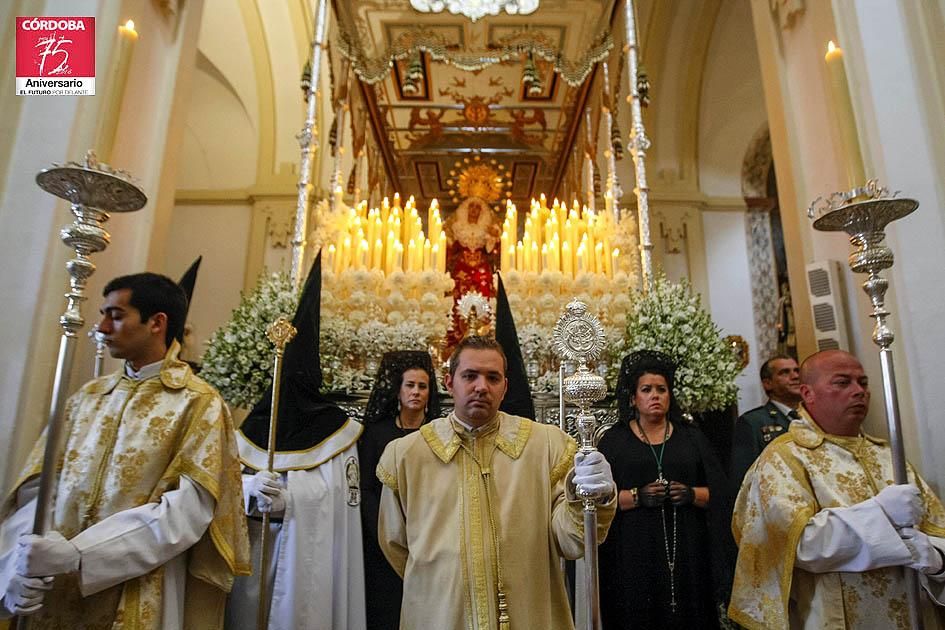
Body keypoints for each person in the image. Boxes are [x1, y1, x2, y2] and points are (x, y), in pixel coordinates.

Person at [0, 272, 251, 628]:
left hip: (135, 585)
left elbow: (186, 511)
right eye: (103, 314)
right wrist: (18, 564)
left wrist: (82, 555)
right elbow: (38, 492)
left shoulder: (198, 404)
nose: (102, 327)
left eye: (116, 315)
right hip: (50, 586)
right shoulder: (88, 398)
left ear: (156, 323)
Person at [376, 335, 616, 629]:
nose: (481, 387)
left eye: (492, 377)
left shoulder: (545, 447)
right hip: (440, 615)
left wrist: (592, 498)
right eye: (470, 376)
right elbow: (394, 543)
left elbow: (570, 539)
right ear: (449, 383)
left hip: (528, 612)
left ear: (505, 386)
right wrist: (441, 581)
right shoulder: (407, 455)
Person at [729, 349, 945, 629]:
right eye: (842, 383)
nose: (859, 391)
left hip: (916, 613)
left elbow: (936, 528)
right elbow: (797, 544)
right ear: (807, 394)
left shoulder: (888, 456)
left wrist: (936, 559)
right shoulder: (785, 458)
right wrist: (879, 513)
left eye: (863, 383)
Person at [226, 252, 366, 630]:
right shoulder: (254, 426)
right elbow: (214, 488)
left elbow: (341, 502)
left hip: (306, 561)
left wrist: (292, 500)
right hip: (251, 554)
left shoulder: (337, 431)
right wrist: (248, 487)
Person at [597, 350, 735, 629]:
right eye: (646, 389)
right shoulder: (615, 441)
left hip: (688, 545)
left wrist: (691, 494)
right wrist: (637, 496)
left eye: (662, 389)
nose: (655, 395)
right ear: (634, 398)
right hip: (632, 546)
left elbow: (721, 494)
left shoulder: (691, 436)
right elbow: (597, 499)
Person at [359, 350, 442, 629]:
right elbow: (367, 488)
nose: (416, 392)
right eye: (410, 385)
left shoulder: (437, 433)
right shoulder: (376, 434)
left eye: (423, 386)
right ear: (398, 390)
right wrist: (381, 529)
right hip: (382, 539)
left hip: (428, 536)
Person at [729, 355, 801, 492]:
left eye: (797, 371)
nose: (795, 376)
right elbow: (745, 478)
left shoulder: (812, 417)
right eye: (785, 372)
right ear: (768, 383)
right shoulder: (753, 421)